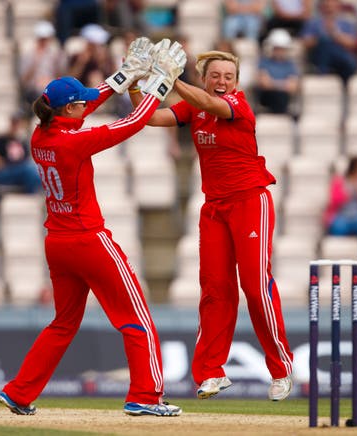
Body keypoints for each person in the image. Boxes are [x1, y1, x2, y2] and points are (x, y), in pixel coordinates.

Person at [0, 37, 186, 417]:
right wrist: (158, 82)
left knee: (63, 323)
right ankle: (145, 397)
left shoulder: (41, 135)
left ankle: (19, 391)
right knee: (137, 319)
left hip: (58, 242)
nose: (86, 103)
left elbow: (87, 104)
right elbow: (132, 123)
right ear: (69, 108)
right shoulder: (74, 141)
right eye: (79, 101)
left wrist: (124, 76)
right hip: (88, 240)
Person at [128, 50, 294, 401]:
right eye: (215, 75)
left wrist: (172, 79)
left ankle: (281, 368)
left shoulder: (238, 104)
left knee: (254, 285)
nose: (222, 82)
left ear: (236, 82)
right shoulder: (195, 106)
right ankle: (211, 373)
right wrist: (134, 84)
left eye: (228, 76)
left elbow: (210, 103)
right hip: (215, 208)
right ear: (205, 78)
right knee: (215, 288)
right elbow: (150, 119)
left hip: (251, 200)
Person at [323, 155, 357, 246]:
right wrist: (346, 194)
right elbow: (334, 202)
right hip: (342, 214)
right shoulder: (339, 182)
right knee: (338, 229)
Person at [0, 112, 42, 196]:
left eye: (18, 123)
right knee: (30, 169)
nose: (15, 126)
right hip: (4, 172)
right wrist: (1, 162)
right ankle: (31, 197)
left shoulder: (22, 142)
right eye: (14, 123)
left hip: (21, 173)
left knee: (33, 171)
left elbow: (25, 159)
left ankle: (32, 197)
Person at [300, 0, 357, 81]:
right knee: (325, 42)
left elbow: (352, 43)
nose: (329, 6)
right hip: (319, 57)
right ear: (322, 6)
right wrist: (320, 37)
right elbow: (306, 42)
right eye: (327, 3)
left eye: (333, 3)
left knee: (350, 62)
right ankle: (323, 75)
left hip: (341, 58)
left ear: (338, 5)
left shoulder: (346, 23)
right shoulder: (313, 22)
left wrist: (334, 33)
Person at [19, 21, 67, 111]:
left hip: (51, 85)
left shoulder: (56, 54)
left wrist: (57, 62)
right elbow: (24, 81)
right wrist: (36, 61)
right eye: (41, 39)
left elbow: (61, 75)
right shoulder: (28, 54)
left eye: (46, 39)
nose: (44, 42)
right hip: (33, 88)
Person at [255, 28, 300, 114]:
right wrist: (284, 84)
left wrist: (273, 83)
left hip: (284, 98)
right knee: (277, 96)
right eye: (277, 48)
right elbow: (264, 83)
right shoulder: (264, 62)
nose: (279, 51)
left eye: (282, 49)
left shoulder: (290, 65)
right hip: (267, 97)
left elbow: (292, 87)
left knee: (281, 97)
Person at [68, 24, 117, 89]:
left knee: (95, 76)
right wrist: (81, 62)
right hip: (82, 91)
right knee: (94, 77)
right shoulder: (78, 56)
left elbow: (114, 78)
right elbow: (70, 80)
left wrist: (102, 62)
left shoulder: (106, 56)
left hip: (103, 91)